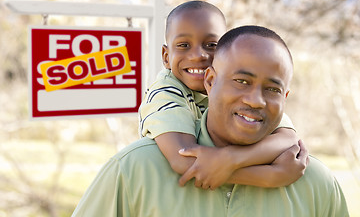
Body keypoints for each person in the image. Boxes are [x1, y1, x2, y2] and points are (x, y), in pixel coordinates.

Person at [72, 25, 349, 217]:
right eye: (241, 81)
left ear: (285, 97)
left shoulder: (314, 183)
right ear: (210, 80)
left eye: (272, 89)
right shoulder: (134, 170)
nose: (256, 100)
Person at [139, 0, 303, 189]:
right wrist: (271, 177)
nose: (198, 55)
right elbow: (184, 160)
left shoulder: (235, 88)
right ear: (166, 57)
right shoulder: (165, 93)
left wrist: (231, 159)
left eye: (211, 45)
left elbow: (288, 138)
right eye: (184, 45)